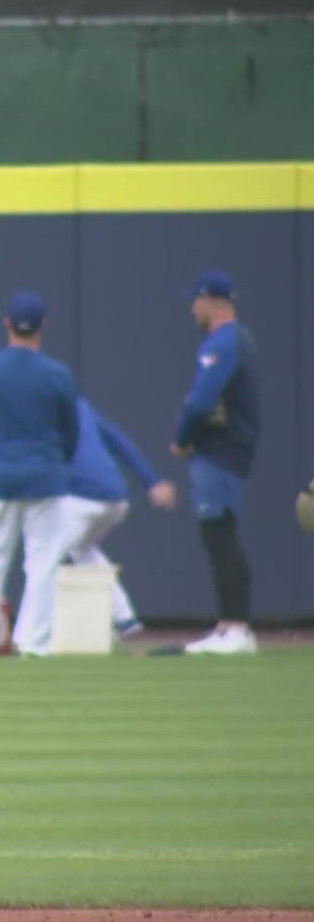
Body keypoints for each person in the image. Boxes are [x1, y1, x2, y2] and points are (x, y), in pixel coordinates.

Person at [0, 290, 81, 658]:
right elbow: (70, 431)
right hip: (45, 476)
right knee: (43, 562)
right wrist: (55, 462)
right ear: (43, 326)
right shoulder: (57, 374)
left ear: (7, 324)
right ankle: (34, 641)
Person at [169, 270, 261, 655]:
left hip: (219, 451)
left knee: (221, 535)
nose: (193, 308)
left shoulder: (223, 340)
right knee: (215, 536)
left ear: (210, 300)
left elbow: (201, 400)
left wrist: (182, 438)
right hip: (228, 450)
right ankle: (226, 626)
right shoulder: (240, 339)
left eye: (196, 300)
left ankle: (237, 627)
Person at [60, 395, 178, 640]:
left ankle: (34, 635)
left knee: (44, 558)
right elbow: (118, 441)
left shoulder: (43, 407)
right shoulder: (77, 403)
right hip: (115, 498)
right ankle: (125, 618)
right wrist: (151, 481)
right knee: (82, 548)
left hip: (81, 497)